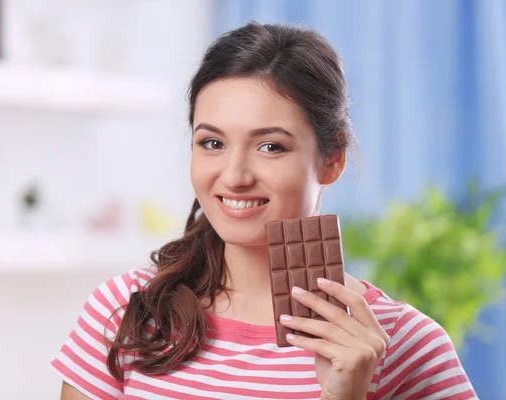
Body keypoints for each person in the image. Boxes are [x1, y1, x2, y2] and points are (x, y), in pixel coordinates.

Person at [49, 22, 477, 400]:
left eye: (270, 146)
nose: (234, 176)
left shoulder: (406, 346)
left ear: (332, 159)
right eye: (212, 143)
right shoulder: (126, 312)